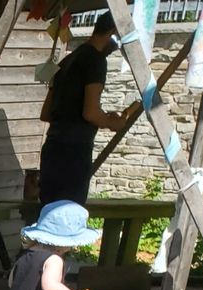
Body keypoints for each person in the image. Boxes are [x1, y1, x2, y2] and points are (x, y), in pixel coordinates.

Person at [39, 12, 139, 206]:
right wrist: (114, 122)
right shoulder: (96, 60)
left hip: (52, 151)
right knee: (68, 216)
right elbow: (90, 112)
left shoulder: (67, 61)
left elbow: (46, 114)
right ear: (112, 31)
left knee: (48, 216)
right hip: (73, 154)